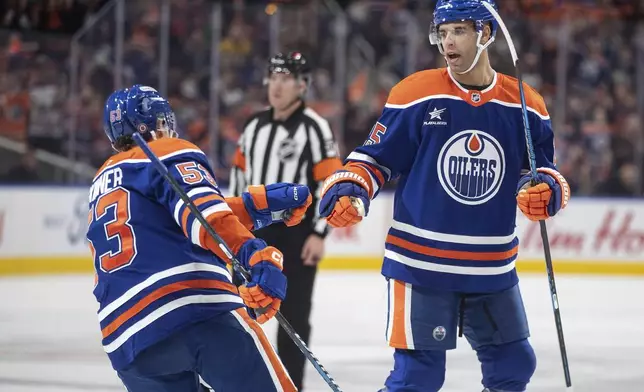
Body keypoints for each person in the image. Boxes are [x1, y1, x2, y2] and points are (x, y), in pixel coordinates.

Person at [318, 0, 571, 391]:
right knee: (418, 378)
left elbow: (539, 170)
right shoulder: (416, 93)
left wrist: (546, 191)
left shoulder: (525, 103)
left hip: (492, 267)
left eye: (459, 31)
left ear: (485, 34)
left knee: (514, 366)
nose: (448, 42)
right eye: (443, 32)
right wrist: (350, 188)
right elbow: (373, 159)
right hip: (421, 265)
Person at [87, 84, 314, 392]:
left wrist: (255, 206)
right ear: (159, 122)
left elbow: (176, 217)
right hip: (192, 307)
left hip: (127, 341)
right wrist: (253, 251)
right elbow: (203, 217)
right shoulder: (166, 150)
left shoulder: (102, 181)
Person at [229, 51, 342, 390]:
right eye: (273, 77)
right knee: (239, 308)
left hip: (297, 234)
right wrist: (232, 225)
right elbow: (238, 176)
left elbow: (329, 182)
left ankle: (292, 386)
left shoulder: (315, 127)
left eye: (285, 78)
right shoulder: (253, 126)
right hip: (253, 234)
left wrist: (320, 233)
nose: (276, 85)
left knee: (293, 316)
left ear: (302, 85)